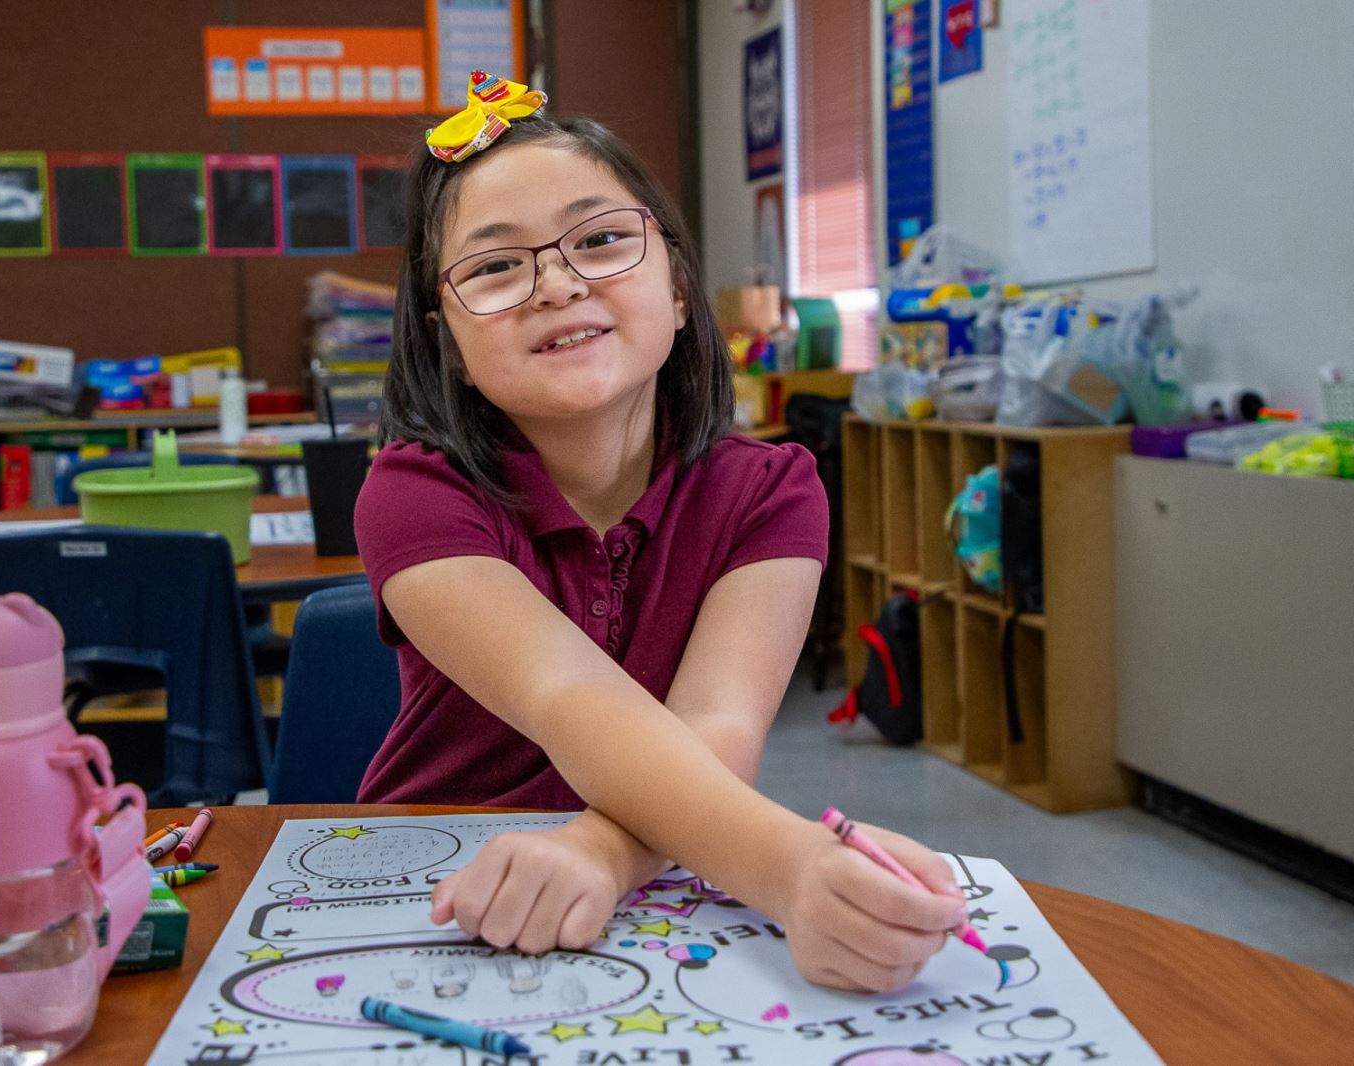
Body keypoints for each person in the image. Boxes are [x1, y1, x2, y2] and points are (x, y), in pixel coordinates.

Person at [353, 71, 965, 993]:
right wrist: (788, 867)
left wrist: (599, 850)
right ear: (451, 349)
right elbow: (567, 694)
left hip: (661, 885)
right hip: (430, 896)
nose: (555, 282)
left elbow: (714, 724)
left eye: (600, 240)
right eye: (494, 266)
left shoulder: (772, 491)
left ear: (680, 290)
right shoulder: (411, 491)